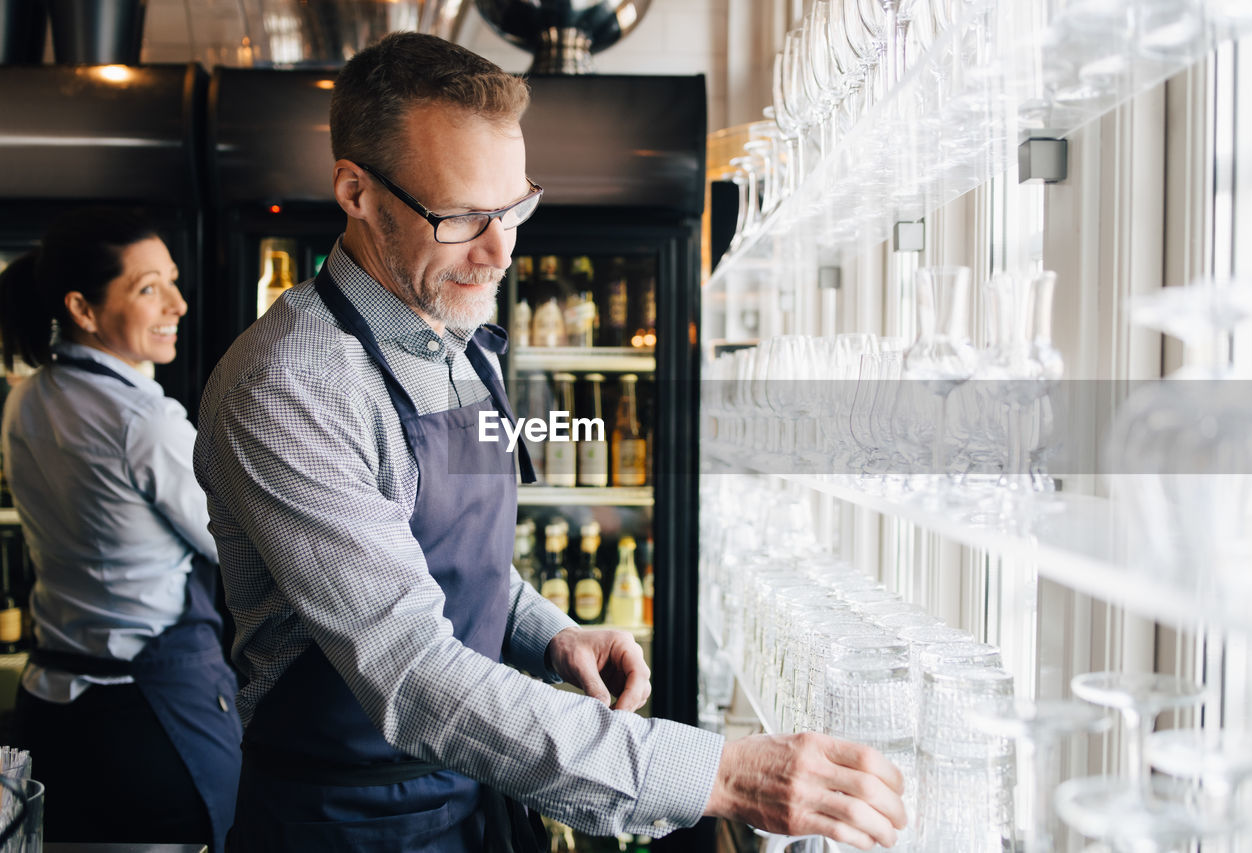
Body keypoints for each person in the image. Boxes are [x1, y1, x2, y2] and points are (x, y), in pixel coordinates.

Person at [194, 32, 906, 852]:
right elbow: (415, 673)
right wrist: (723, 772)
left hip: (469, 791)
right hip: (345, 823)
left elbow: (439, 556)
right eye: (463, 217)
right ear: (356, 190)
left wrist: (544, 630)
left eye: (515, 210)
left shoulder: (448, 333)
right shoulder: (291, 388)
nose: (501, 252)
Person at [0, 208, 242, 850]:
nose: (179, 304)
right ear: (82, 308)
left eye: (171, 280)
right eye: (148, 288)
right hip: (147, 720)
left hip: (49, 711)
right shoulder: (144, 421)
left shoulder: (28, 396)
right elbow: (237, 541)